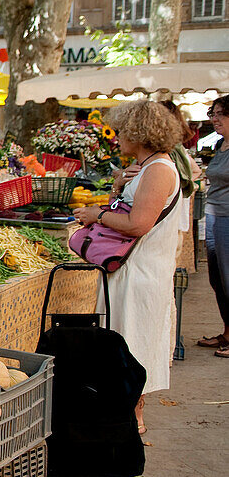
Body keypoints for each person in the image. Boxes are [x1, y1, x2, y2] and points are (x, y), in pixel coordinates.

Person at [73, 101, 183, 432]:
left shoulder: (160, 170)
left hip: (142, 272)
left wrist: (97, 215)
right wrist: (120, 186)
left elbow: (138, 224)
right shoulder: (149, 167)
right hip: (132, 270)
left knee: (133, 341)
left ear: (140, 133)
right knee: (124, 338)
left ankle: (134, 421)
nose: (117, 136)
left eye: (122, 131)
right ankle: (126, 416)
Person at [198, 95, 229, 357]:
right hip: (213, 217)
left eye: (220, 114)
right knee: (217, 279)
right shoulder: (220, 144)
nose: (214, 119)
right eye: (213, 113)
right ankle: (227, 333)